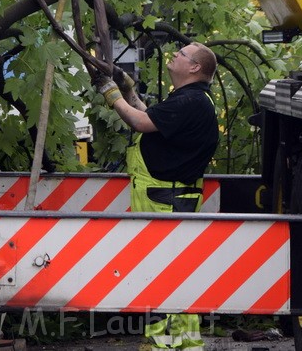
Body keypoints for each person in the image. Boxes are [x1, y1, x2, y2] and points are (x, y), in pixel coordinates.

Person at [94, 42, 219, 350]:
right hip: (166, 199)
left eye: (182, 53)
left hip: (166, 201)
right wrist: (129, 91)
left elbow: (139, 122)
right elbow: (153, 119)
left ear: (194, 68)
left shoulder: (191, 102)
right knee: (164, 274)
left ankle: (169, 344)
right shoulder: (189, 101)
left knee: (164, 276)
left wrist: (112, 96)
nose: (175, 54)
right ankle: (174, 343)